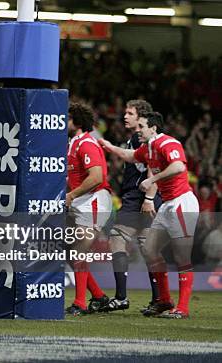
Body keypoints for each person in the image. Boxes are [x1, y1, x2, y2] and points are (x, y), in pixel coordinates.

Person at [100, 112, 199, 319]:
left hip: (182, 202)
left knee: (182, 256)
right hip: (167, 204)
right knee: (149, 249)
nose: (138, 130)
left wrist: (153, 180)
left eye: (142, 126)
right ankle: (163, 300)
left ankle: (183, 308)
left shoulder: (167, 143)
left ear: (153, 128)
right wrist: (109, 146)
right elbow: (129, 155)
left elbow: (179, 166)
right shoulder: (148, 148)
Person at [101, 100, 162, 313]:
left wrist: (148, 198)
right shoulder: (137, 139)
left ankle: (121, 297)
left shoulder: (139, 138)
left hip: (138, 197)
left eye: (130, 113)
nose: (125, 116)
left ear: (140, 116)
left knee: (117, 239)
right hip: (143, 196)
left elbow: (152, 168)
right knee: (148, 248)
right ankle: (158, 299)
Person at [64, 102, 113, 316]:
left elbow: (97, 177)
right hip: (81, 201)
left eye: (67, 118)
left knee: (78, 251)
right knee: (69, 251)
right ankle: (99, 296)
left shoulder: (87, 144)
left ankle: (80, 303)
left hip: (93, 201)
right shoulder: (73, 143)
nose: (63, 122)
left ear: (76, 121)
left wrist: (71, 195)